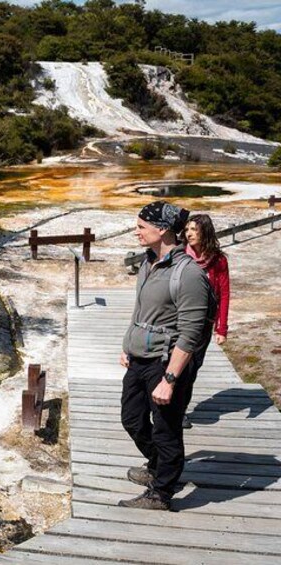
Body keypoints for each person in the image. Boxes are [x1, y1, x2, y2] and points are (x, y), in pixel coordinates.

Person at [117, 201, 212, 511]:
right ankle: (159, 467)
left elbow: (191, 334)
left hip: (165, 362)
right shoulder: (147, 263)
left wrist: (170, 379)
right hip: (139, 358)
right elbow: (141, 308)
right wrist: (126, 344)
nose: (136, 232)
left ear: (162, 230)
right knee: (131, 419)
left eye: (142, 227)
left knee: (166, 429)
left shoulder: (189, 275)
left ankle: (161, 493)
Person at [181, 213, 230, 429]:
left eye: (194, 230)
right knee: (175, 366)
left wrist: (222, 328)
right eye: (187, 229)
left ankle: (180, 409)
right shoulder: (180, 255)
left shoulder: (218, 260)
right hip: (179, 321)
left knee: (192, 369)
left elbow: (224, 294)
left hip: (204, 323)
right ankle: (169, 409)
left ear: (205, 233)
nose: (189, 233)